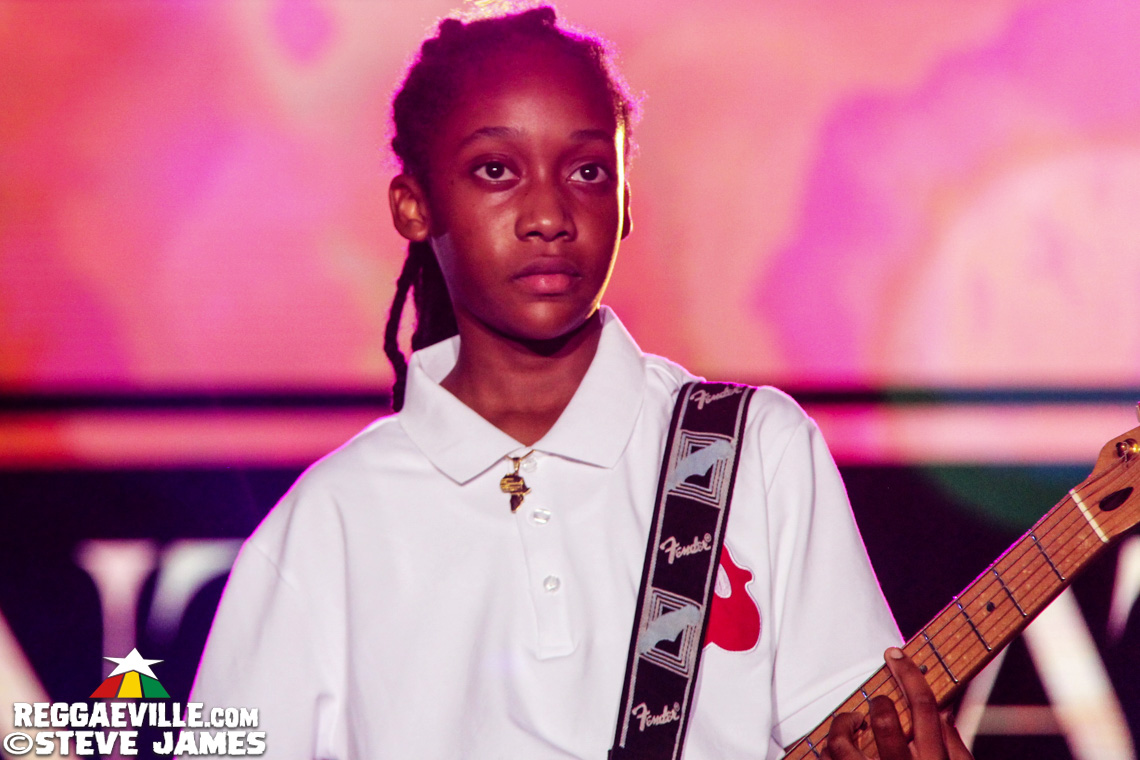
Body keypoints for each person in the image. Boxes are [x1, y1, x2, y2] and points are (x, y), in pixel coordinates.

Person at [191, 7, 973, 759]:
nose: (548, 214)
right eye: (496, 170)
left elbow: (852, 725)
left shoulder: (757, 452)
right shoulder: (329, 526)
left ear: (628, 199)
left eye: (589, 170)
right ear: (414, 206)